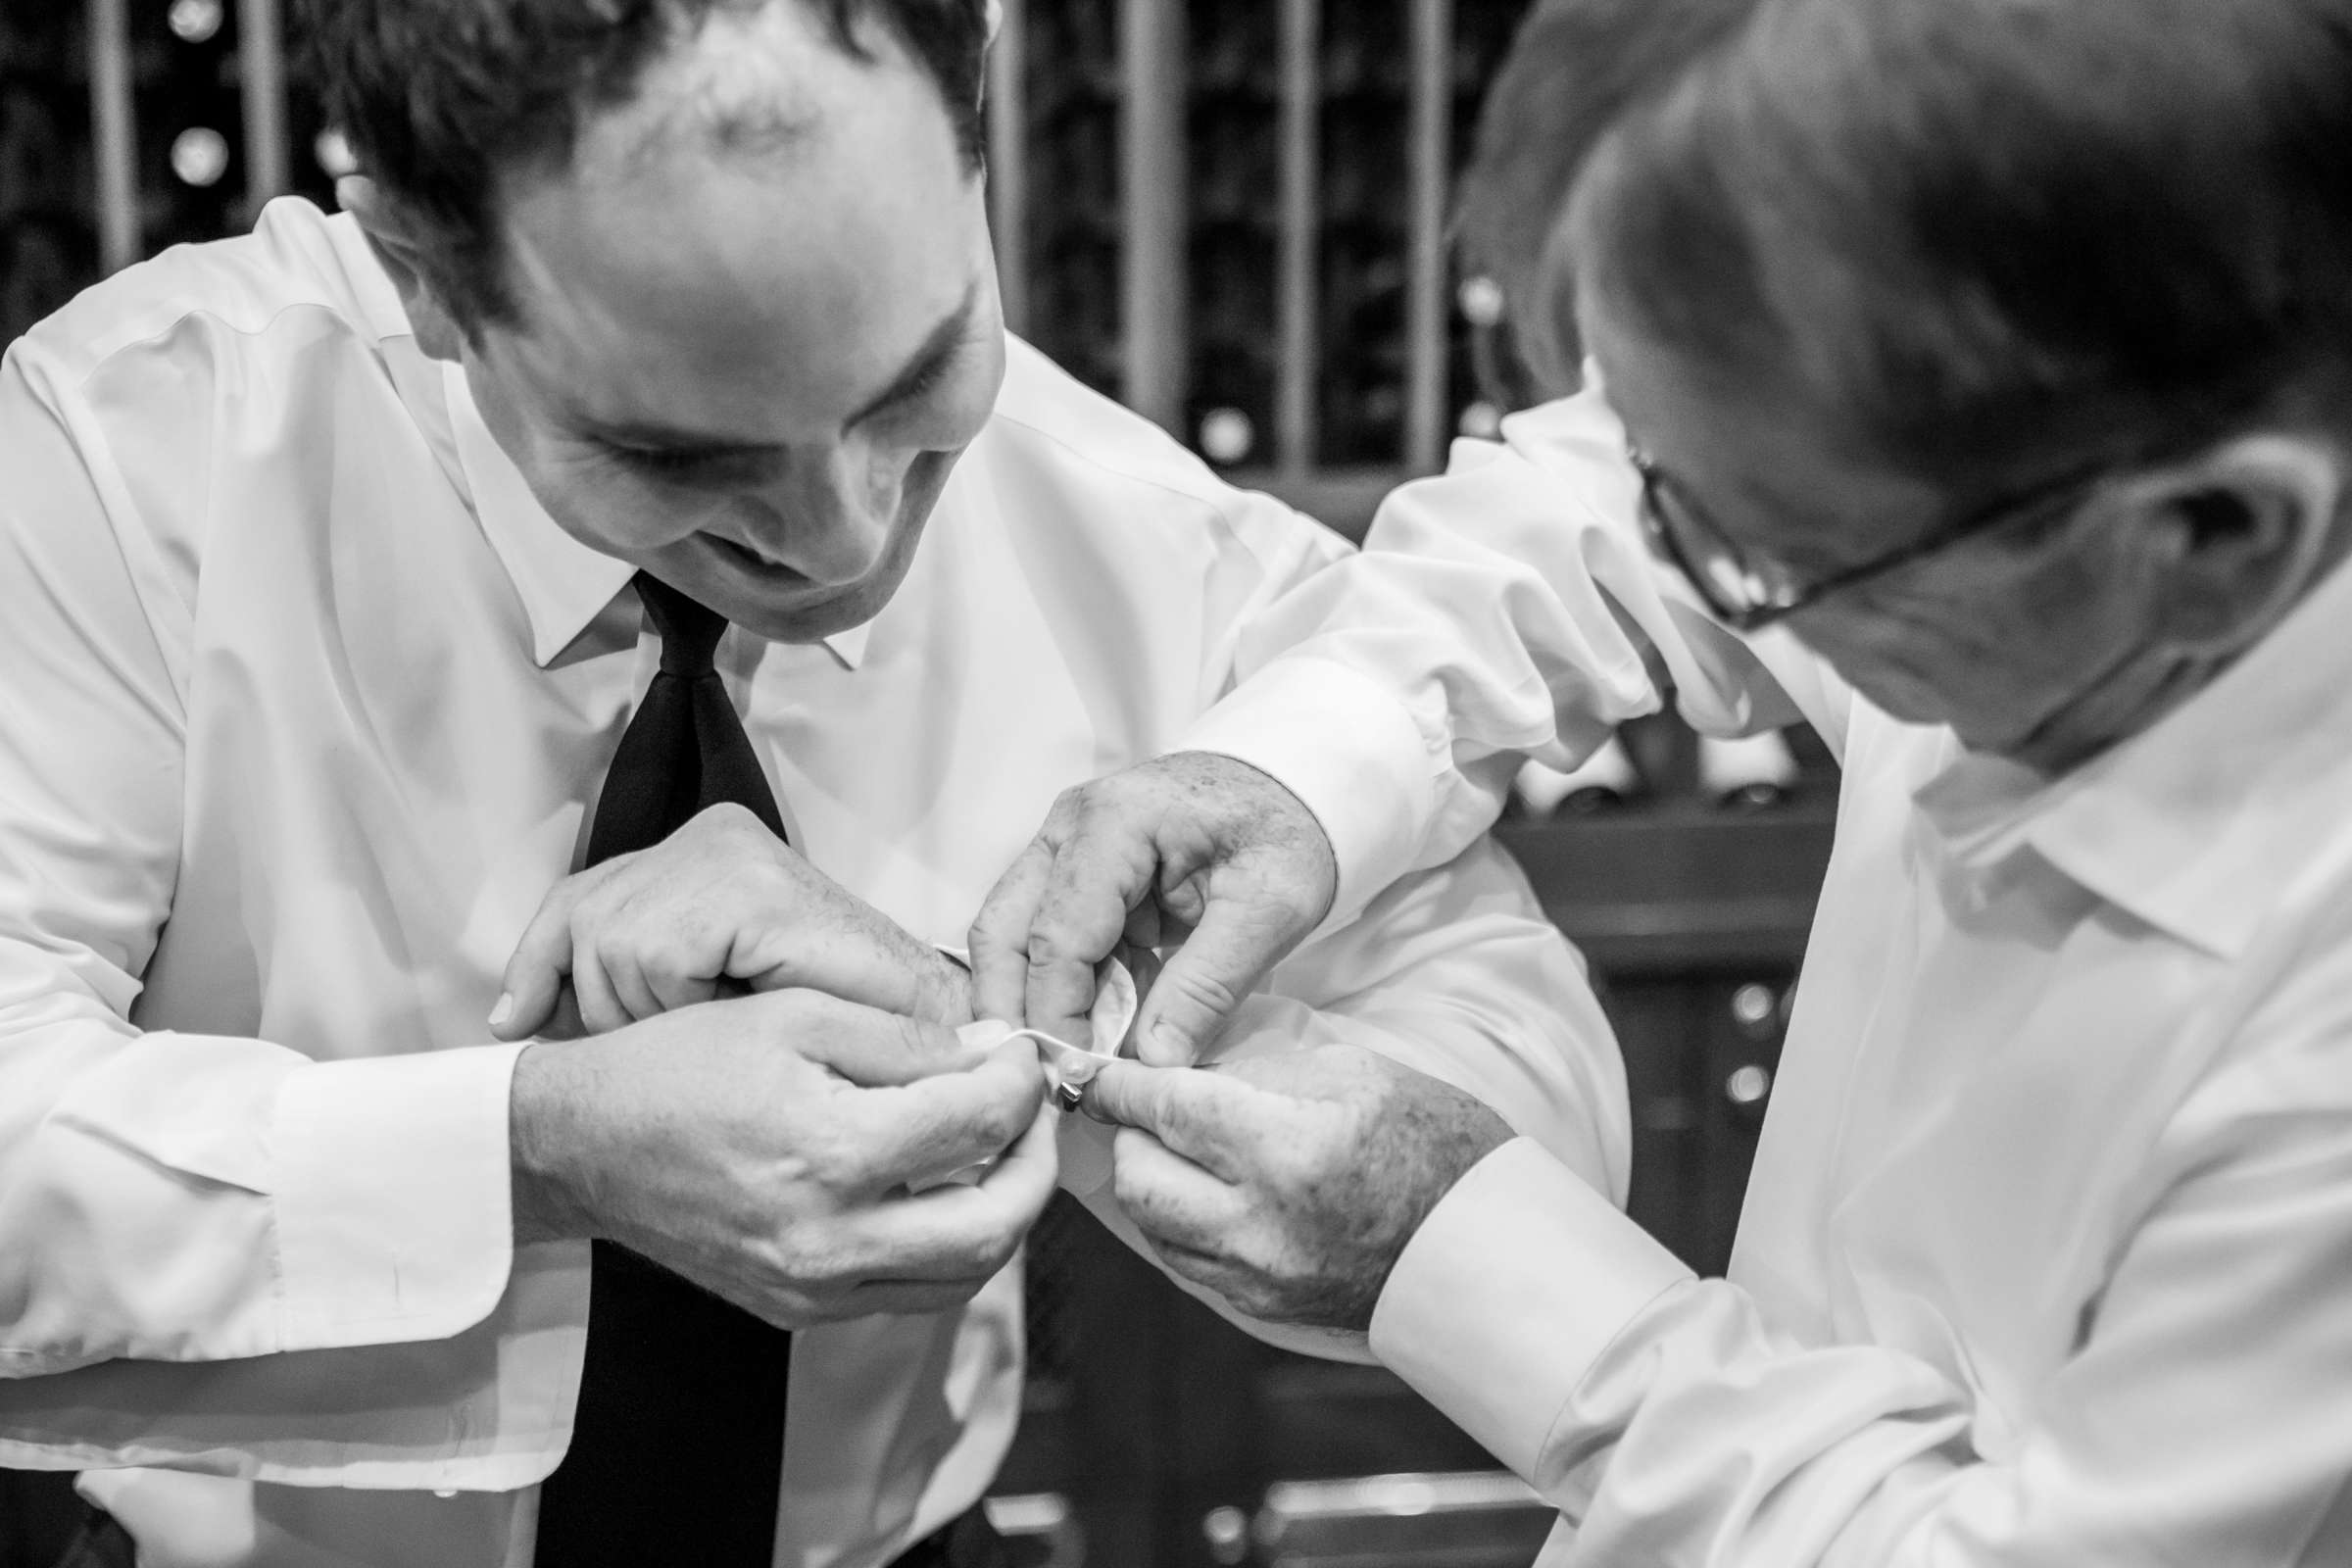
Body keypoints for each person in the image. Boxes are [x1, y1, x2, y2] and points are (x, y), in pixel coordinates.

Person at [0, 1, 1623, 1564]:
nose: (846, 540)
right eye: (678, 458)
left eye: (923, 378)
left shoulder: (1153, 548)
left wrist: (989, 1037)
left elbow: (1532, 1109)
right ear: (423, 270)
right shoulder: (124, 463)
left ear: (974, 119)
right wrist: (533, 1147)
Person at [975, 0, 2352, 1560]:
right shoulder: (1979, 492)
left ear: (2223, 539)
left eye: (1762, 549)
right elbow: (1616, 506)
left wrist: (1458, 1248)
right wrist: (1300, 764)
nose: (1694, 563)